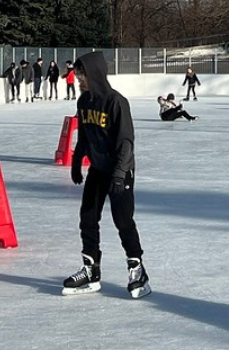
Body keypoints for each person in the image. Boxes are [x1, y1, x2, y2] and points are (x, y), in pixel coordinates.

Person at [63, 51, 151, 299]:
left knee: (123, 221)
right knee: (87, 217)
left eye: (82, 74)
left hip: (120, 171)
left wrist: (120, 174)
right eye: (78, 74)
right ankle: (91, 271)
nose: (79, 78)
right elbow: (85, 135)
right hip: (98, 170)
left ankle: (137, 269)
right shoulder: (84, 102)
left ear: (94, 74)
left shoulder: (116, 102)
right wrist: (77, 159)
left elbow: (126, 142)